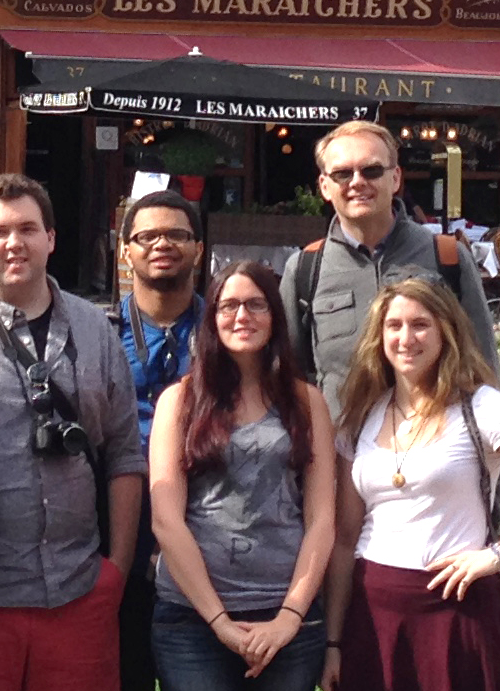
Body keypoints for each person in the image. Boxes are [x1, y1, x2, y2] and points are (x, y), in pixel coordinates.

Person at [0, 173, 144, 691]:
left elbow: (124, 454)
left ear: (51, 238)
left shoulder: (96, 328)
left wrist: (116, 570)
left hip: (79, 589)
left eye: (27, 228)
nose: (13, 243)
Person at [324, 280, 500, 691]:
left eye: (420, 325)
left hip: (458, 614)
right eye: (393, 326)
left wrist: (498, 555)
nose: (405, 338)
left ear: (446, 331)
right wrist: (333, 642)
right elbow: (345, 538)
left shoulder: (480, 407)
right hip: (373, 617)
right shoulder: (363, 414)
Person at [148, 262, 334, 691]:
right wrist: (219, 621)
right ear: (211, 318)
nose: (242, 316)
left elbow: (322, 518)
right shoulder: (179, 402)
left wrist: (291, 615)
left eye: (256, 305)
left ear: (276, 316)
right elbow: (165, 520)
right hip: (192, 620)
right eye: (228, 306)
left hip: (287, 615)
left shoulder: (307, 403)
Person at [282, 121, 497, 408]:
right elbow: (289, 379)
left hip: (432, 443)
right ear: (325, 186)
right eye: (343, 174)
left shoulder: (447, 258)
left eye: (371, 170)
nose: (357, 182)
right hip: (341, 448)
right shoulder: (305, 271)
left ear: (395, 178)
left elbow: (484, 370)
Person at [112, 189, 207, 691]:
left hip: (206, 538)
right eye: (146, 236)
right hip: (117, 536)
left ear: (198, 248)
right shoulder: (96, 333)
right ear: (125, 250)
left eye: (176, 234)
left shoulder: (227, 329)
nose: (161, 245)